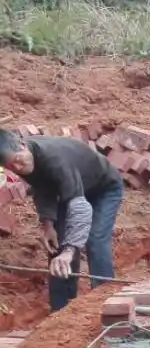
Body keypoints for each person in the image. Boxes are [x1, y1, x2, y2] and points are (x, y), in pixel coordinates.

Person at [0, 129, 123, 312]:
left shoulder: (55, 159)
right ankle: (61, 311)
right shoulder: (24, 160)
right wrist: (48, 225)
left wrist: (70, 250)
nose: (17, 168)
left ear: (22, 145)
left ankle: (107, 303)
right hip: (71, 190)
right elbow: (43, 188)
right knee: (57, 244)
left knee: (95, 239)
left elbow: (80, 209)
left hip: (103, 189)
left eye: (18, 160)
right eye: (11, 166)